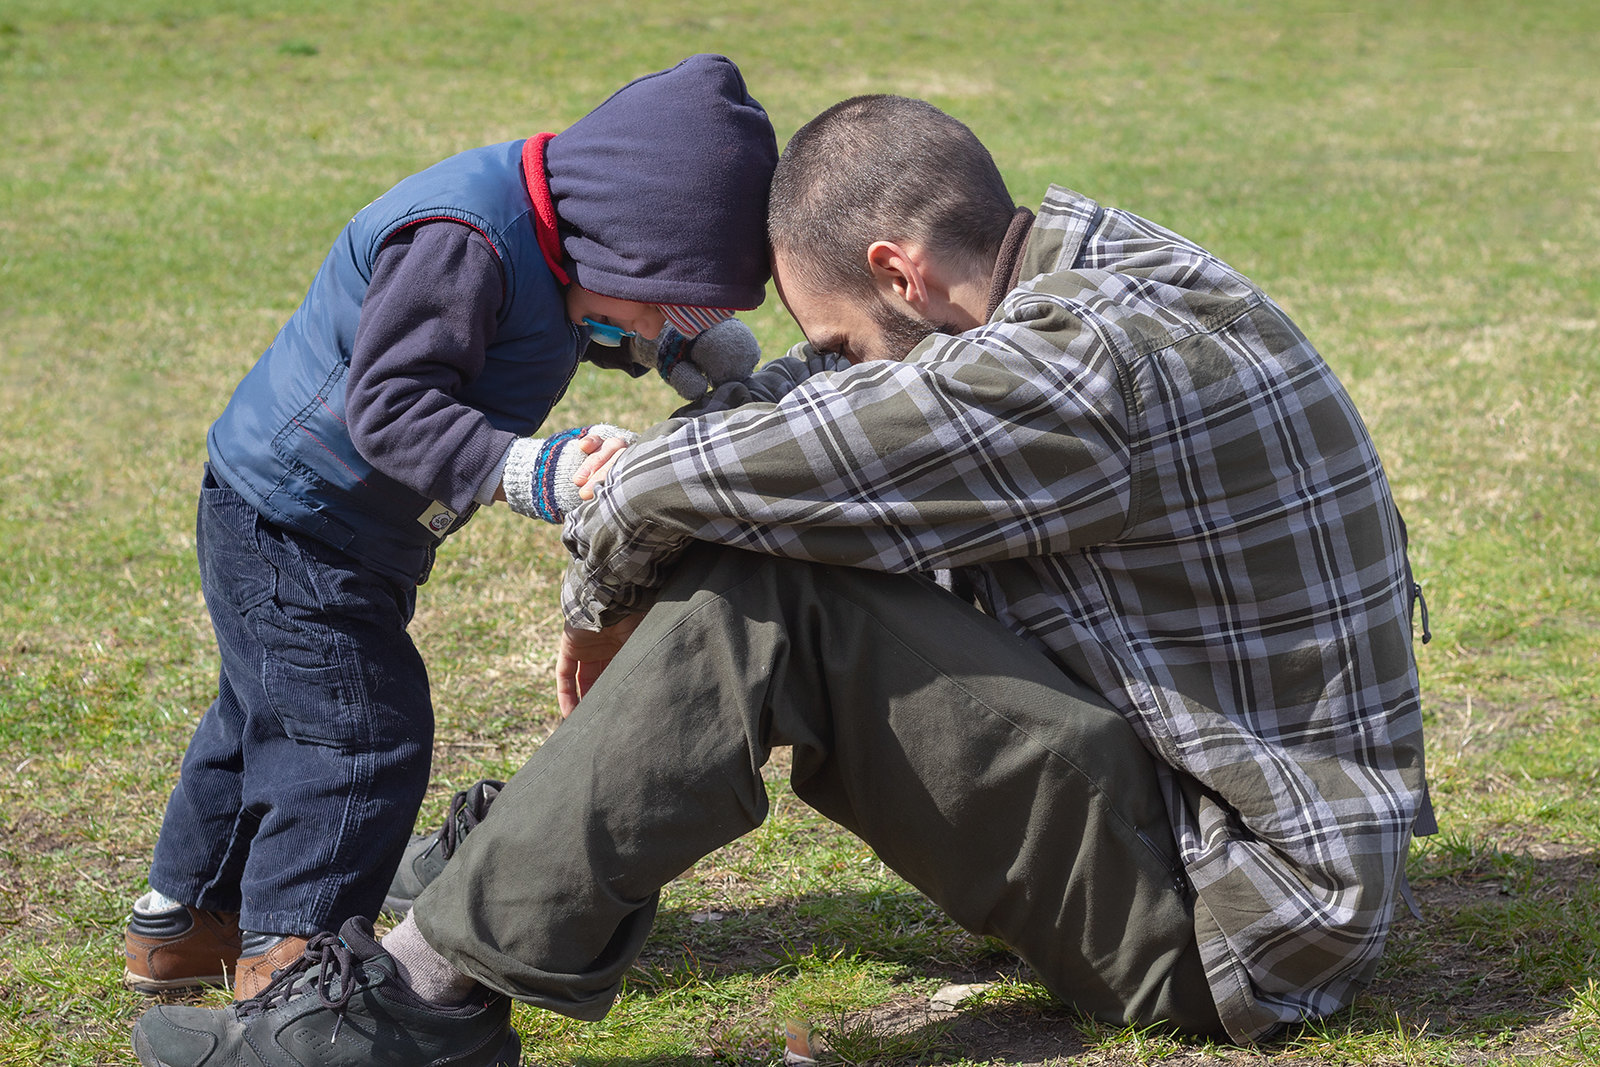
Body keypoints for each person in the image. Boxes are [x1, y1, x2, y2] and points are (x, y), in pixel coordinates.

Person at [129, 94, 1433, 1065]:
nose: (832, 365)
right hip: (1225, 839)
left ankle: (407, 1006)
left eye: (836, 339)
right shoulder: (1110, 269)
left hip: (1231, 927)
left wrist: (607, 601)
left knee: (776, 597)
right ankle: (477, 889)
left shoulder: (1058, 378)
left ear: (897, 271)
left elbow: (657, 484)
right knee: (782, 537)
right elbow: (800, 434)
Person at [122, 54, 779, 1003]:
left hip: (324, 518)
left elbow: (564, 317)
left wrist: (667, 343)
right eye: (663, 296)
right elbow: (386, 406)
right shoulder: (460, 240)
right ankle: (299, 968)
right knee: (356, 735)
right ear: (618, 238)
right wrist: (529, 469)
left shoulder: (558, 234)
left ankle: (182, 924)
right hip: (300, 519)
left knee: (265, 713)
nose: (659, 318)